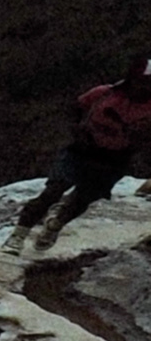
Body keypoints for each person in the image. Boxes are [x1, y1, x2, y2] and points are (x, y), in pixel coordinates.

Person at [13, 54, 151, 254]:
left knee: (82, 199)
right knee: (52, 191)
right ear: (132, 78)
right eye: (142, 82)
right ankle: (18, 235)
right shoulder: (103, 94)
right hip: (82, 151)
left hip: (114, 160)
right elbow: (75, 109)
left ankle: (56, 223)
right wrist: (77, 130)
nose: (145, 87)